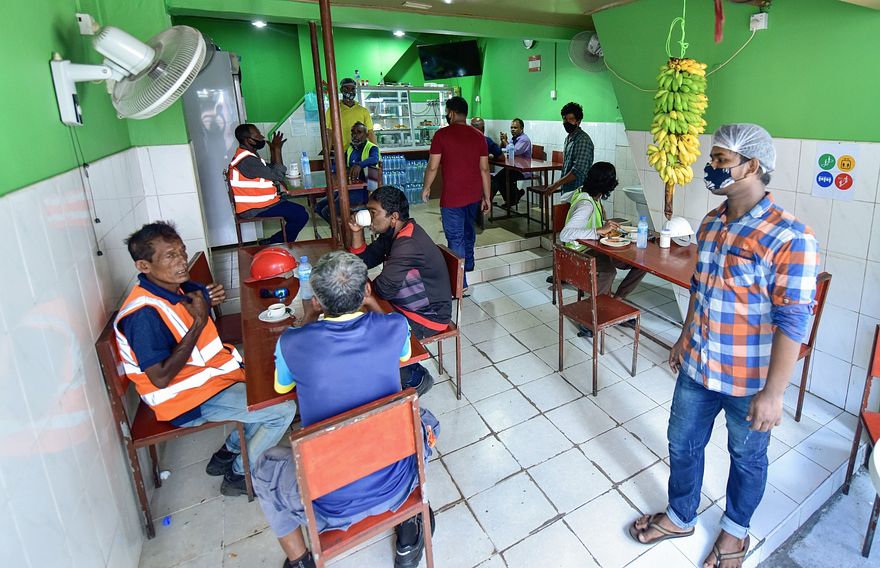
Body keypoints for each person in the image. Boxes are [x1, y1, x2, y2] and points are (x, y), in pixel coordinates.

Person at [627, 124, 820, 568]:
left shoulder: (790, 236)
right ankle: (681, 515)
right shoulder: (712, 222)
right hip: (698, 365)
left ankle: (735, 533)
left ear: (752, 166)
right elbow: (700, 287)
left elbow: (793, 320)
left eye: (720, 160)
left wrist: (774, 394)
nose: (710, 166)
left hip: (748, 381)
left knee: (747, 458)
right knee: (682, 443)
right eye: (712, 158)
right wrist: (683, 336)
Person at [254, 251, 439, 568]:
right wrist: (373, 303)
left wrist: (309, 318)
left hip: (327, 505)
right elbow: (404, 354)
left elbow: (283, 388)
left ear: (317, 301)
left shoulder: (291, 343)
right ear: (366, 290)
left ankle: (300, 560)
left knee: (264, 467)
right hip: (396, 483)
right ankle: (409, 527)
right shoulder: (394, 326)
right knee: (426, 420)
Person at [113, 222, 297, 496]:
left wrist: (208, 298)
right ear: (144, 266)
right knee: (282, 410)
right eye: (170, 256)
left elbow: (200, 296)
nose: (181, 261)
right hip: (182, 400)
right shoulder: (143, 315)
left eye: (182, 252)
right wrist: (199, 321)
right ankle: (239, 475)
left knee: (267, 388)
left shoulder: (174, 288)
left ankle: (228, 452)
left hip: (209, 379)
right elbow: (160, 378)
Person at [349, 186, 452, 396]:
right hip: (405, 305)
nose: (368, 217)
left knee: (372, 336)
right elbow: (363, 262)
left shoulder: (408, 242)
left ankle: (416, 378)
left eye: (373, 212)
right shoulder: (393, 233)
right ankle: (387, 378)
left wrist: (368, 291)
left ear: (393, 217)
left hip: (428, 316)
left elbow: (385, 289)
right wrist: (357, 232)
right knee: (362, 320)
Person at [558, 162, 646, 326]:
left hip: (595, 247)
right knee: (608, 271)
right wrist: (598, 230)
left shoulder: (586, 193)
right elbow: (565, 234)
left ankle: (615, 302)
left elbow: (564, 198)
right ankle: (593, 317)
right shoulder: (586, 205)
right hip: (580, 253)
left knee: (641, 263)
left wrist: (605, 224)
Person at [422, 96, 491, 290]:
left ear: (451, 113)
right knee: (469, 232)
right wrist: (487, 197)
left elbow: (432, 166)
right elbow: (484, 169)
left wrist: (426, 187)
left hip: (452, 199)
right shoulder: (479, 136)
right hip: (474, 196)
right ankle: (467, 265)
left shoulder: (441, 135)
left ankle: (461, 283)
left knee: (455, 238)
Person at [228, 124, 309, 243]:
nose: (262, 137)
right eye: (258, 135)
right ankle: (275, 242)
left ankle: (279, 241)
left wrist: (273, 150)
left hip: (259, 203)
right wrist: (277, 149)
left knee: (298, 212)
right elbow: (278, 175)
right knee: (301, 215)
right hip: (254, 207)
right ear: (249, 140)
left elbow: (271, 169)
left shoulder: (247, 155)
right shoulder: (248, 160)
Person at [316, 122, 379, 223]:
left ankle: (343, 229)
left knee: (327, 211)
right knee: (319, 207)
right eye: (353, 132)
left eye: (359, 132)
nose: (355, 135)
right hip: (348, 188)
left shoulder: (372, 148)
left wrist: (359, 165)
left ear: (366, 135)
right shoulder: (350, 149)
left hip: (364, 191)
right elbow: (339, 163)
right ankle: (341, 227)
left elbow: (375, 159)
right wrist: (332, 168)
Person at [541, 102, 594, 201]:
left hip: (579, 192)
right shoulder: (569, 138)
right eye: (565, 119)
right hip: (568, 190)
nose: (567, 122)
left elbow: (577, 171)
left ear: (578, 122)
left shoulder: (582, 140)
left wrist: (555, 185)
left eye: (571, 119)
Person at [325, 77, 376, 150]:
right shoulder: (333, 110)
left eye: (353, 89)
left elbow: (370, 133)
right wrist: (327, 154)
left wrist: (376, 152)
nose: (350, 91)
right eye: (346, 89)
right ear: (341, 90)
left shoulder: (363, 111)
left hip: (359, 152)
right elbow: (329, 134)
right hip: (341, 153)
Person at [494, 117, 534, 207]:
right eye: (511, 127)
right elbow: (502, 150)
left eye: (515, 128)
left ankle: (514, 196)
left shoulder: (524, 139)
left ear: (521, 128)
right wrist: (502, 141)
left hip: (523, 170)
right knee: (498, 178)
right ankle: (513, 197)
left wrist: (505, 141)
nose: (512, 129)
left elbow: (514, 151)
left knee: (504, 178)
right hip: (513, 167)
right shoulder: (513, 139)